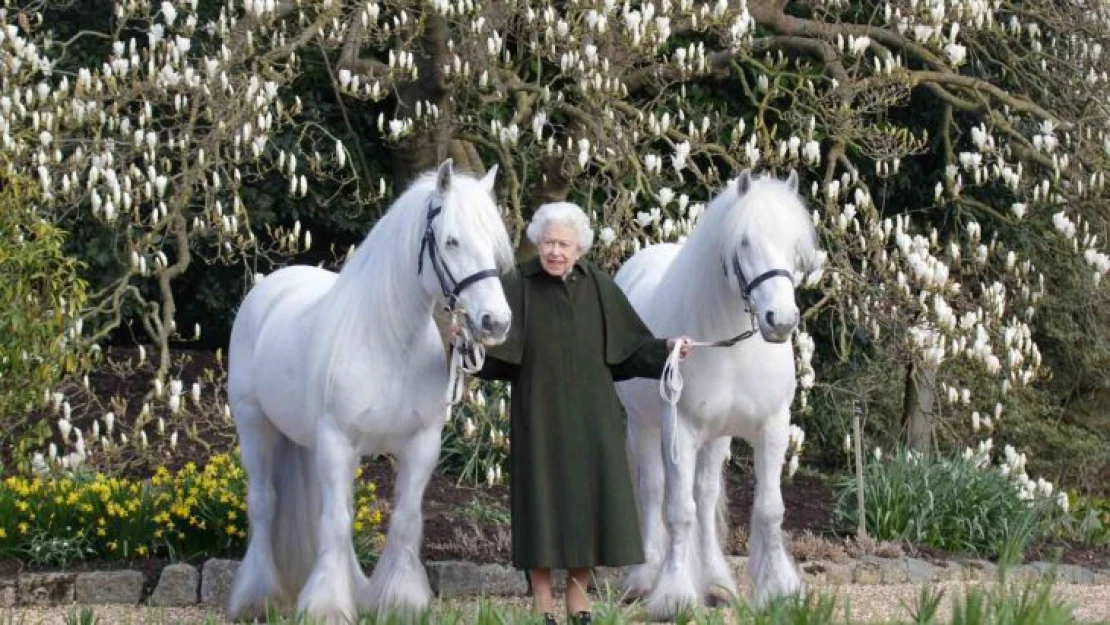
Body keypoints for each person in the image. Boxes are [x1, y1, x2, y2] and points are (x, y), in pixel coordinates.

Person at [466, 201, 691, 625]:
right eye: (549, 242)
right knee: (542, 507)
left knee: (590, 507)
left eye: (563, 244)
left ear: (579, 248)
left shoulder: (599, 285)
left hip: (594, 419)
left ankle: (578, 599)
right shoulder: (517, 285)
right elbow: (496, 355)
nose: (555, 252)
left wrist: (668, 349)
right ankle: (543, 604)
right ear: (537, 242)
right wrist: (469, 346)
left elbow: (631, 349)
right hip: (539, 416)